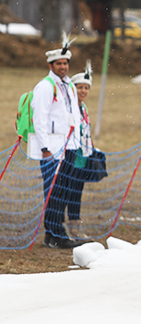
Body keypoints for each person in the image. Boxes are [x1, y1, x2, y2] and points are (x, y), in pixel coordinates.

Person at [30, 35, 83, 249]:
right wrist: (44, 147)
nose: (63, 67)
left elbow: (73, 115)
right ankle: (55, 233)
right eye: (59, 64)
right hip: (52, 149)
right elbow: (39, 118)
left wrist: (78, 144)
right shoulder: (45, 86)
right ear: (51, 65)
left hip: (70, 146)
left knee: (64, 191)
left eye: (65, 63)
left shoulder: (69, 85)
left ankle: (54, 233)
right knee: (54, 192)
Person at [65, 61, 96, 239]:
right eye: (80, 87)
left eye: (86, 87)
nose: (83, 91)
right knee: (68, 191)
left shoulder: (84, 108)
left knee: (77, 191)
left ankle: (75, 224)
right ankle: (67, 226)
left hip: (82, 157)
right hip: (71, 156)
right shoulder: (70, 108)